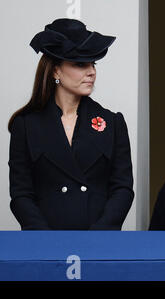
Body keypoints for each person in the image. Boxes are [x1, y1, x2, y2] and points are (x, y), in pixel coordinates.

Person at [8, 18, 134, 230]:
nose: (92, 71)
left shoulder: (113, 123)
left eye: (93, 63)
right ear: (56, 71)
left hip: (99, 245)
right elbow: (21, 194)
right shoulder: (26, 125)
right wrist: (46, 240)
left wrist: (99, 236)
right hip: (46, 246)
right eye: (80, 64)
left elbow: (122, 189)